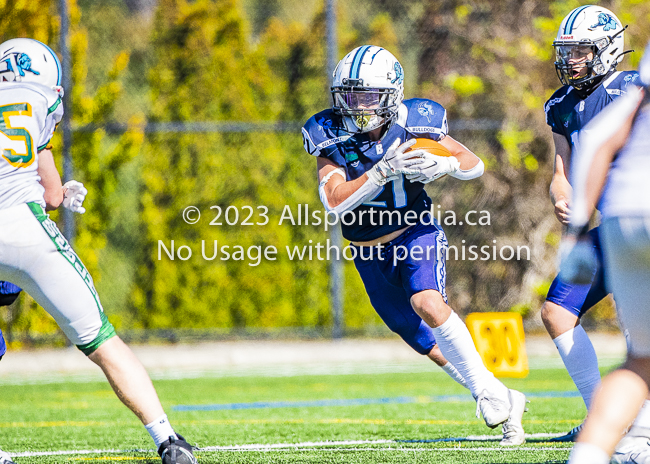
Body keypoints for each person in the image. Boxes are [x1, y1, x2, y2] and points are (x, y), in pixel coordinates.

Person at [301, 44, 527, 446]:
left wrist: (448, 164)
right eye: (348, 96)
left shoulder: (417, 119)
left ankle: (489, 393)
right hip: (367, 249)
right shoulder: (328, 131)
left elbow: (474, 164)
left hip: (414, 230)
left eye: (367, 96)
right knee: (427, 343)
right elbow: (334, 202)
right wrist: (382, 170)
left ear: (392, 93)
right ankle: (502, 394)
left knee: (428, 302)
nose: (357, 106)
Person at [0, 38, 197, 464]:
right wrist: (57, 190)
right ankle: (168, 440)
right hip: (22, 229)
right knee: (102, 340)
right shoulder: (41, 100)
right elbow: (51, 195)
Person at [539, 5, 650, 445]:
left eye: (581, 51)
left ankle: (636, 429)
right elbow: (560, 172)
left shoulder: (629, 87)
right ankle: (602, 418)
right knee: (556, 311)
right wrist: (562, 197)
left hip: (633, 218)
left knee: (636, 331)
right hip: (608, 225)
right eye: (566, 52)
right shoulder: (561, 104)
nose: (571, 61)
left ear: (606, 50)